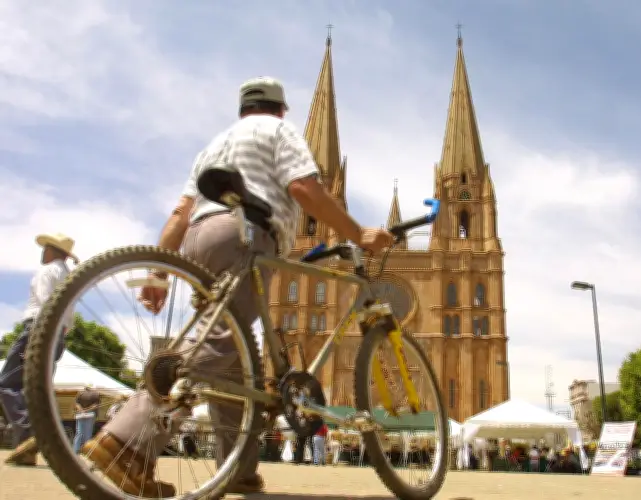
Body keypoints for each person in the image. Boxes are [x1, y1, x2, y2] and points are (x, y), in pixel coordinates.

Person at [80, 76, 394, 497]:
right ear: (280, 109)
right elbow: (304, 187)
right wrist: (357, 233)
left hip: (199, 238)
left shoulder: (216, 145)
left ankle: (238, 468)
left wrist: (159, 272)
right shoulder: (278, 130)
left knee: (235, 362)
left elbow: (180, 213)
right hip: (244, 236)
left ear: (243, 108)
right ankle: (126, 442)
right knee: (219, 342)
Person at [0, 232, 77, 466]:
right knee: (38, 388)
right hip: (58, 333)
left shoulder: (47, 271)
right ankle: (29, 448)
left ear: (53, 251)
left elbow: (46, 302)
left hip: (39, 327)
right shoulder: (70, 276)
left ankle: (27, 435)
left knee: (9, 383)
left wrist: (41, 332)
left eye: (46, 248)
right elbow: (69, 315)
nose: (42, 252)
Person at [73, 384, 100, 453]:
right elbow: (95, 405)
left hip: (80, 414)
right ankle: (86, 450)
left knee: (79, 432)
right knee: (88, 433)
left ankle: (76, 450)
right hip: (90, 415)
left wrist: (81, 410)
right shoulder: (95, 394)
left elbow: (76, 404)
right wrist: (87, 410)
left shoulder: (80, 393)